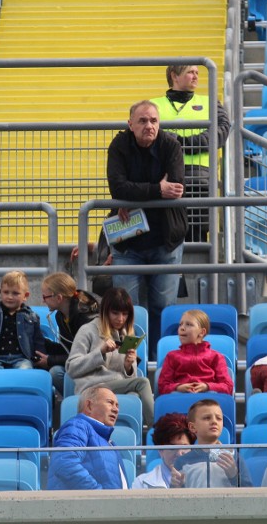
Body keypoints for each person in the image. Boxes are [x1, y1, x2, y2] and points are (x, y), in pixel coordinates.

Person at [107, 100, 186, 360]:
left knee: (162, 309)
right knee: (125, 312)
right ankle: (131, 363)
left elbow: (174, 187)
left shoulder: (171, 145)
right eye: (142, 121)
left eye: (153, 121)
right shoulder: (119, 145)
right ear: (130, 124)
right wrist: (156, 189)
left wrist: (135, 194)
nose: (149, 126)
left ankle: (159, 362)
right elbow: (118, 188)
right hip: (129, 244)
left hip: (165, 242)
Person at [151, 64, 231, 242]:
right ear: (174, 76)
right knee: (164, 233)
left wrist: (180, 144)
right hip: (164, 177)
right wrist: (184, 144)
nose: (195, 76)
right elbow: (150, 133)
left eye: (197, 72)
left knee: (197, 235)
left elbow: (222, 129)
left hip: (199, 178)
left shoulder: (210, 102)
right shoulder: (153, 105)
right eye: (190, 72)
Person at [66, 287, 154, 425]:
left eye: (125, 314)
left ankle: (129, 441)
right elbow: (71, 368)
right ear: (105, 311)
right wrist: (100, 352)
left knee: (134, 396)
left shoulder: (127, 335)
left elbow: (130, 379)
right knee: (143, 383)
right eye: (115, 313)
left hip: (115, 388)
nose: (120, 319)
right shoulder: (87, 330)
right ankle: (158, 430)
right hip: (92, 388)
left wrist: (128, 367)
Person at [48, 386, 127, 490]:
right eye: (110, 402)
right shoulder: (77, 426)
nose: (116, 409)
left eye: (117, 405)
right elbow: (65, 463)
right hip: (89, 505)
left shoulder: (109, 442)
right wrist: (98, 493)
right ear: (89, 406)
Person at [39, 271, 100, 395]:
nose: (43, 301)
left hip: (94, 367)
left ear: (59, 298)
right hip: (79, 365)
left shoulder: (84, 317)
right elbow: (69, 349)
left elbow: (85, 356)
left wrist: (50, 360)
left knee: (56, 372)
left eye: (45, 297)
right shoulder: (60, 316)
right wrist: (41, 342)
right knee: (56, 372)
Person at [0, 270, 46, 371]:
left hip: (21, 359)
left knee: (26, 371)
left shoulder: (32, 317)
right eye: (6, 292)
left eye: (15, 293)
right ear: (0, 292)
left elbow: (38, 342)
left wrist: (39, 363)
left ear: (25, 296)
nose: (10, 297)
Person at [174, 399, 252, 488]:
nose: (214, 421)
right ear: (192, 427)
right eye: (207, 418)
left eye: (219, 418)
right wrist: (176, 485)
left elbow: (248, 492)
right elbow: (173, 497)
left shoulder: (234, 457)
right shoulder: (182, 461)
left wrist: (234, 476)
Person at [157, 309, 233, 396]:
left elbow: (228, 387)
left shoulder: (216, 356)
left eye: (189, 324)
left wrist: (207, 386)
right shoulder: (171, 356)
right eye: (180, 324)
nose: (182, 328)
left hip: (208, 402)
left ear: (202, 332)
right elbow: (162, 386)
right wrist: (178, 387)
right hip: (180, 401)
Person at [132, 412, 195, 489]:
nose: (179, 453)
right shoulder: (141, 483)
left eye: (184, 447)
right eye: (172, 448)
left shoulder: (203, 479)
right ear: (160, 450)